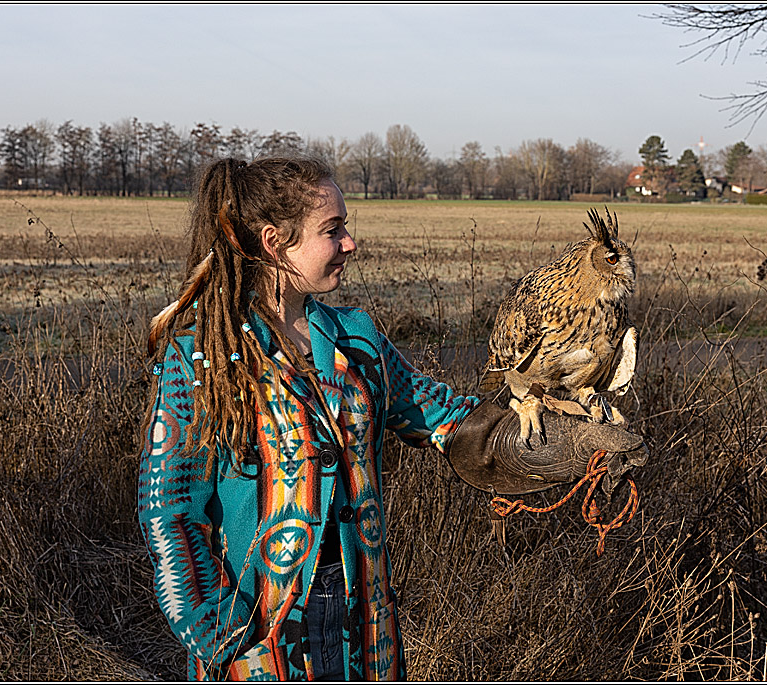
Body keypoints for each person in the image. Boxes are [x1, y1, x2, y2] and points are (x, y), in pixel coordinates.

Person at [137, 156, 647, 681]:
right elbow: (169, 508)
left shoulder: (356, 339)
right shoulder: (201, 356)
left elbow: (450, 422)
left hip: (364, 623)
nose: (350, 243)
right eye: (333, 230)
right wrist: (221, 630)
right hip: (260, 627)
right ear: (275, 243)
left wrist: (570, 444)